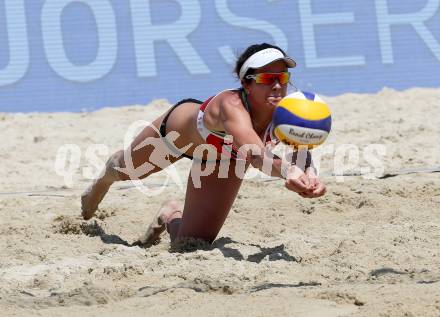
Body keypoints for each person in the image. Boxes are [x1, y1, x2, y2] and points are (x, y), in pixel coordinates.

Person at [81, 43, 326, 246]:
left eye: (282, 77)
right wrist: (288, 171)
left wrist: (310, 174)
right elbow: (255, 154)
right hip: (175, 138)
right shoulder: (230, 105)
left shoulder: (288, 109)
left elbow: (299, 147)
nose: (277, 85)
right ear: (247, 83)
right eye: (267, 78)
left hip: (225, 159)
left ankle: (170, 214)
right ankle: (102, 180)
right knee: (124, 169)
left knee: (191, 244)